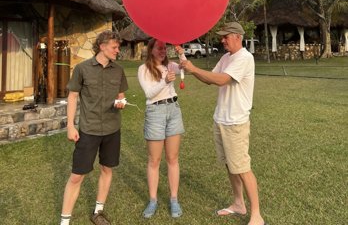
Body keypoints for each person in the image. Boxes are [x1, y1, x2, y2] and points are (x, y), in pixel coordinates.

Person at [181, 22, 266, 225]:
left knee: (243, 168)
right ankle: (238, 204)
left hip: (235, 122)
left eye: (225, 36)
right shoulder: (226, 57)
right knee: (231, 166)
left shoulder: (245, 58)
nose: (222, 40)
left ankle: (257, 215)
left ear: (237, 36)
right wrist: (186, 63)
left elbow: (221, 80)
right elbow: (210, 79)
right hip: (221, 119)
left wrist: (192, 68)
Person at [60, 30, 128, 225]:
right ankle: (64, 221)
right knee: (76, 176)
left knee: (107, 169)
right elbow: (72, 97)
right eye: (114, 47)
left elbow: (121, 95)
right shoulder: (82, 69)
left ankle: (98, 211)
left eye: (118, 47)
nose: (118, 50)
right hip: (88, 130)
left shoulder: (119, 70)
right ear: (102, 46)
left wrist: (120, 102)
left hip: (112, 129)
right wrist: (71, 126)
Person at [137, 38, 186, 219]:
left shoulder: (171, 66)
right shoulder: (143, 69)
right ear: (150, 50)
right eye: (159, 48)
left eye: (165, 48)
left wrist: (181, 52)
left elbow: (185, 67)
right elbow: (149, 93)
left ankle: (174, 199)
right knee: (154, 160)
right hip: (155, 112)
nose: (163, 51)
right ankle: (153, 200)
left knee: (172, 158)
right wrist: (164, 81)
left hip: (173, 110)